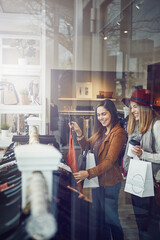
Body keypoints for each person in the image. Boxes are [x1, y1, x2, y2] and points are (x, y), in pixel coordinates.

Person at [70, 99, 126, 240]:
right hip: (97, 182)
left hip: (110, 184)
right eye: (99, 115)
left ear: (112, 113)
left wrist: (88, 173)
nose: (101, 118)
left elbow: (109, 161)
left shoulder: (118, 133)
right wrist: (79, 133)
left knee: (112, 219)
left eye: (104, 114)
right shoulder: (101, 132)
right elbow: (86, 146)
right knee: (101, 219)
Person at [122, 88, 160, 240]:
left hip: (152, 185)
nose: (132, 111)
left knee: (150, 228)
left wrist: (143, 154)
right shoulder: (136, 128)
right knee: (141, 225)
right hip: (138, 182)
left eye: (135, 106)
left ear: (145, 107)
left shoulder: (156, 126)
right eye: (131, 107)